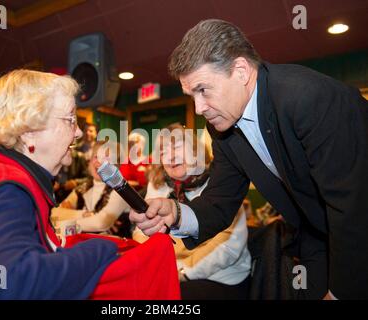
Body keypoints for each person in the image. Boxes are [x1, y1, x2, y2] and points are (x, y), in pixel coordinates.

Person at [130, 19, 368, 300]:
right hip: (317, 236)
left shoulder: (308, 97)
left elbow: (353, 208)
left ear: (241, 71)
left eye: (203, 90)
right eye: (191, 95)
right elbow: (219, 202)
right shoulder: (222, 127)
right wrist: (177, 213)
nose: (199, 108)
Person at [0, 70, 118, 299]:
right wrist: (102, 249)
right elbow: (6, 287)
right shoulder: (6, 188)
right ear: (29, 132)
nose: (79, 131)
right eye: (71, 119)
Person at [133, 123, 251, 299]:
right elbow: (141, 234)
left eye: (177, 147)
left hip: (222, 277)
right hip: (170, 269)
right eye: (163, 151)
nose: (170, 156)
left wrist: (184, 272)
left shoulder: (220, 182)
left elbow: (229, 248)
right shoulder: (157, 185)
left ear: (196, 151)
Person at [55, 140, 131, 236]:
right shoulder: (82, 189)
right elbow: (55, 213)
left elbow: (100, 223)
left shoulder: (120, 189)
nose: (100, 163)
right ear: (89, 161)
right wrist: (83, 214)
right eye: (96, 157)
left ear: (117, 166)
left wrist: (66, 221)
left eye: (107, 159)